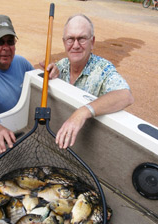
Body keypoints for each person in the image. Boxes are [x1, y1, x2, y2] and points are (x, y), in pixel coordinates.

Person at [0, 15, 57, 153]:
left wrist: (52, 75)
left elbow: (40, 89)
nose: (6, 47)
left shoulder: (22, 63)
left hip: (24, 129)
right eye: (0, 42)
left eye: (10, 42)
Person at [54, 14, 134, 149]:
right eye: (70, 39)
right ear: (64, 42)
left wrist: (82, 112)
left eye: (82, 39)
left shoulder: (103, 69)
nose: (75, 45)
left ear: (92, 42)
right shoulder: (61, 65)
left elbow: (126, 96)